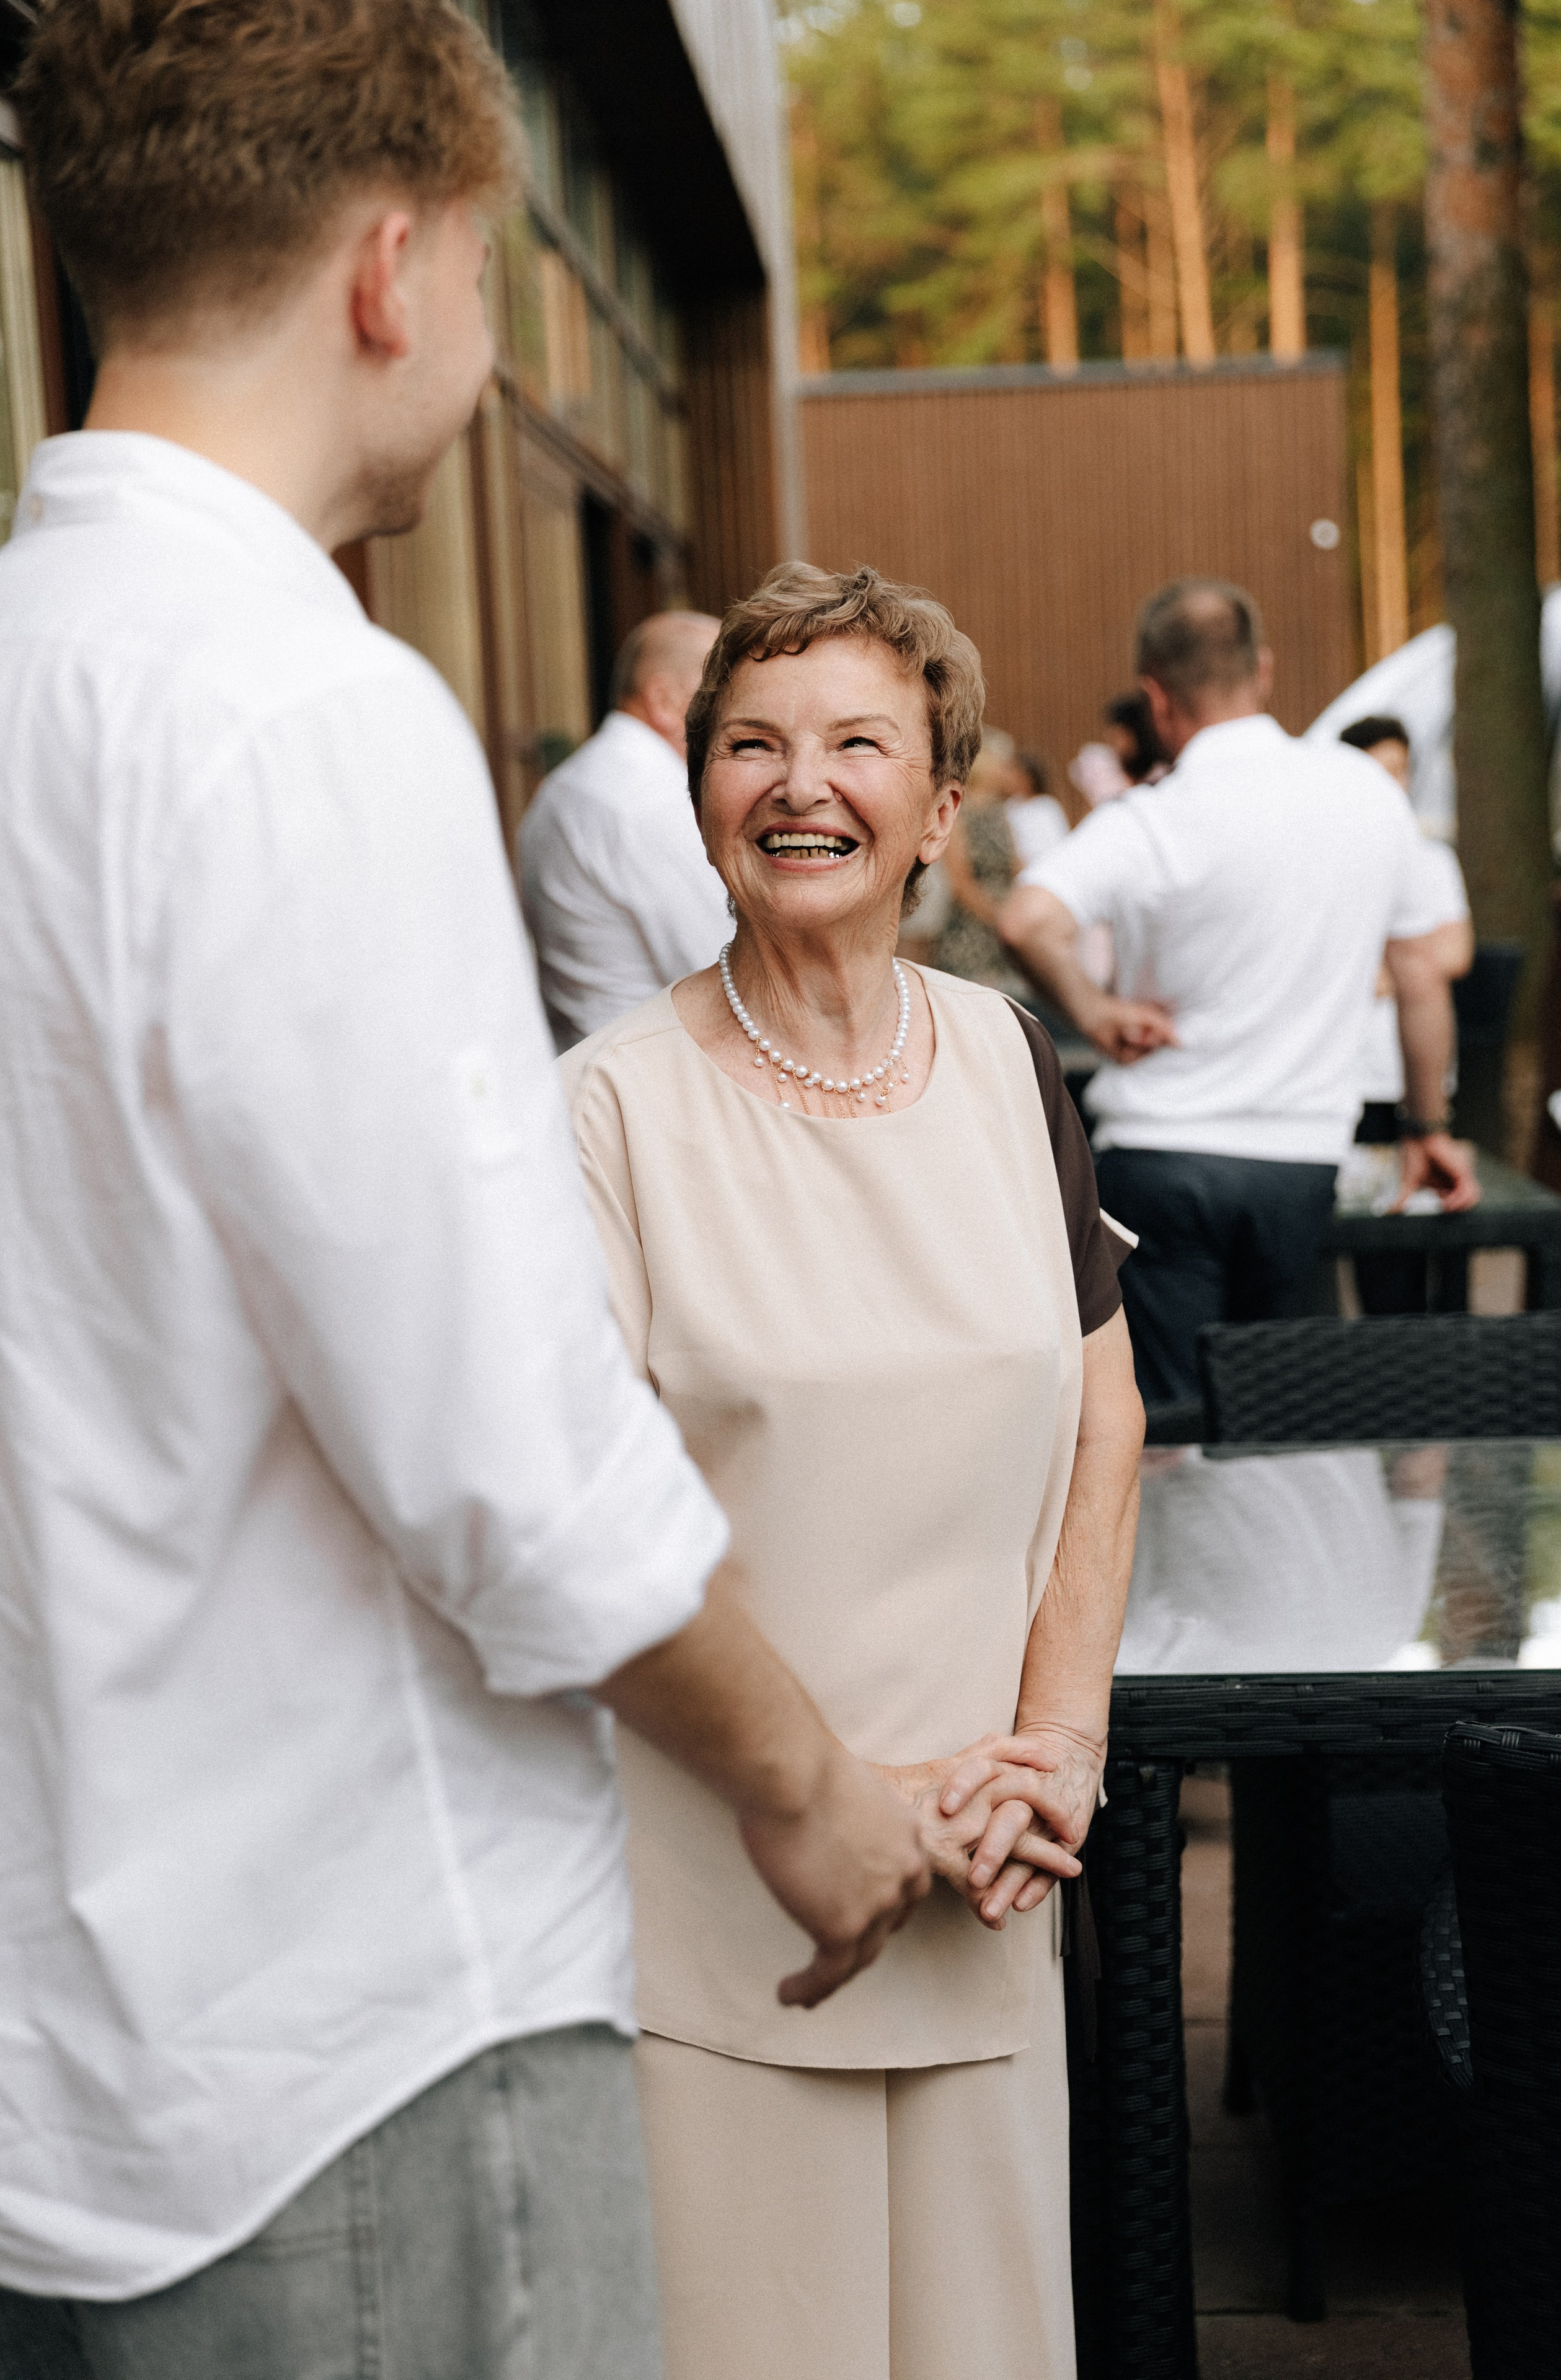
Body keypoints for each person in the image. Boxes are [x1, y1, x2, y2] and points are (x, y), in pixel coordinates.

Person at [0, 9, 929, 2376]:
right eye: (507, 285)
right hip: (348, 2028)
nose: (503, 356)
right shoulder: (299, 708)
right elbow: (503, 1450)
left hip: (57, 2044)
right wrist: (802, 1782)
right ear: (390, 270)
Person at [562, 561, 1146, 2380]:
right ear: (700, 795)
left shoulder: (998, 1051)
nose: (797, 781)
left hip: (988, 1879)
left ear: (938, 811)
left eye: (854, 744)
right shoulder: (605, 1106)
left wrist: (1058, 1744)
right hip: (727, 1915)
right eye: (750, 741)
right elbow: (578, 1523)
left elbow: (1101, 1408)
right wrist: (834, 1788)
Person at [998, 577, 1480, 1408]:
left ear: (1155, 695)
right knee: (1276, 1420)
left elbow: (1026, 920)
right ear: (1263, 669)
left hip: (1158, 1160)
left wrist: (1095, 1010)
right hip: (1298, 1164)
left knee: (1166, 1434)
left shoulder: (1151, 818)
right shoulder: (1365, 791)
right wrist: (1426, 1126)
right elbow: (1421, 974)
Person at [520, 610, 728, 1050]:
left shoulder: (576, 783)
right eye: (724, 695)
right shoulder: (644, 798)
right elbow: (735, 966)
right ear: (664, 702)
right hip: (647, 1077)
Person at [1338, 715, 1474, 1313]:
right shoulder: (1330, 865)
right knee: (1374, 1238)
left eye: (1400, 770)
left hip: (1420, 1079)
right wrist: (1409, 962)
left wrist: (1381, 972)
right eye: (1376, 771)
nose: (1391, 785)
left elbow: (1455, 951)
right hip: (1354, 1077)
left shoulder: (1431, 860)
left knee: (1439, 1230)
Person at [932, 729, 1030, 995]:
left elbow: (1017, 866)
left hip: (1006, 924)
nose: (1008, 771)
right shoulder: (959, 813)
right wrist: (999, 918)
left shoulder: (1002, 813)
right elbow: (961, 883)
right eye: (1003, 764)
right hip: (972, 930)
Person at [1007, 746, 1071, 868]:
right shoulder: (1009, 806)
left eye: (1015, 773)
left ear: (1029, 778)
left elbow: (1058, 844)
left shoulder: (1046, 806)